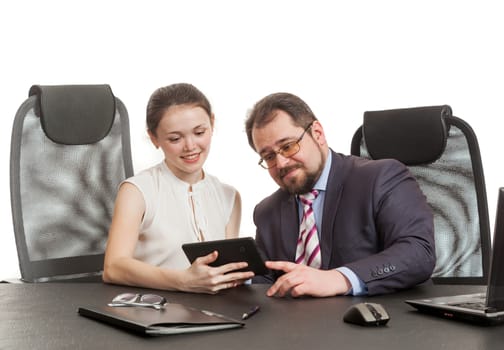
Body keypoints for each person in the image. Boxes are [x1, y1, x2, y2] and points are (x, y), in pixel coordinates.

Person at [245, 92, 436, 297]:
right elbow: (267, 280)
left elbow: (418, 252)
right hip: (298, 326)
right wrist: (233, 278)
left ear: (317, 133)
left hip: (375, 322)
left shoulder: (380, 178)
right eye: (269, 156)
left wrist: (338, 278)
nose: (281, 163)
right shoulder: (267, 212)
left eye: (288, 146)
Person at [103, 83, 254, 293]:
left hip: (217, 314)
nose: (190, 146)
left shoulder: (229, 196)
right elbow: (113, 267)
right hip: (154, 312)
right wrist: (182, 280)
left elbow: (227, 271)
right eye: (175, 138)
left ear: (212, 123)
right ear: (154, 138)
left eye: (199, 132)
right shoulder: (137, 191)